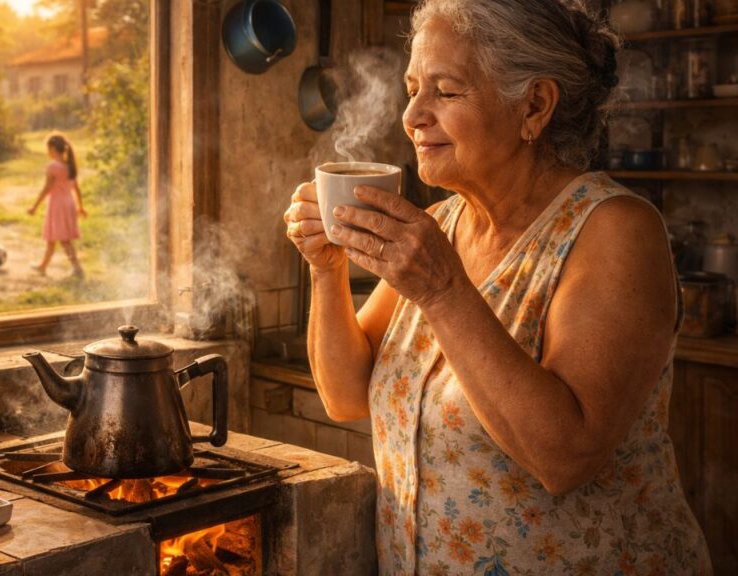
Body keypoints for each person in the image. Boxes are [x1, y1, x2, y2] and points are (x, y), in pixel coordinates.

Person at [283, 0, 712, 573]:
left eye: (446, 90)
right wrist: (326, 266)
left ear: (533, 105)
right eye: (412, 88)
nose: (412, 115)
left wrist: (442, 292)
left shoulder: (614, 231)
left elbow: (565, 456)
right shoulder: (442, 225)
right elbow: (345, 395)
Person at [28, 132, 87, 279]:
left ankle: (77, 268)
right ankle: (43, 267)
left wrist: (35, 206)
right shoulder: (69, 166)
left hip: (58, 205)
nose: (47, 152)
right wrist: (80, 206)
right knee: (51, 239)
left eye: (48, 149)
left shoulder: (53, 166)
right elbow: (76, 189)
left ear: (53, 149)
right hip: (68, 204)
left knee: (64, 240)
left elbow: (47, 188)